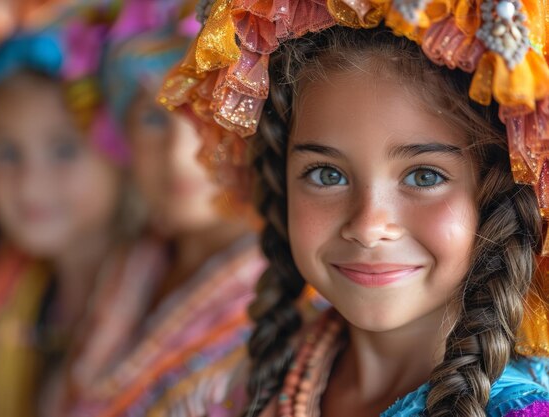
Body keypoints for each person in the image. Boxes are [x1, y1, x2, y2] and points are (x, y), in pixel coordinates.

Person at [160, 0, 549, 415]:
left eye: (425, 176)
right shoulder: (245, 379)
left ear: (498, 194)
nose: (368, 226)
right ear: (280, 178)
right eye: (327, 175)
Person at [0, 10, 140, 416]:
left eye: (64, 149)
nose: (30, 183)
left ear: (120, 153)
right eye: (8, 153)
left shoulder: (161, 297)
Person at [64, 2, 270, 416]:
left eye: (208, 117)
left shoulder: (291, 302)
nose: (179, 156)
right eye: (154, 120)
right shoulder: (131, 267)